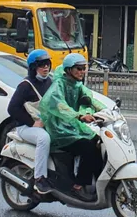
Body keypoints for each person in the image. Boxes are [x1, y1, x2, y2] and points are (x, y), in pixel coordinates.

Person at [39, 53, 105, 200]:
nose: (82, 72)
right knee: (87, 147)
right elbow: (58, 105)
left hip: (72, 126)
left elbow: (88, 99)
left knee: (98, 141)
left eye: (84, 68)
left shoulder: (77, 84)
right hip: (59, 129)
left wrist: (107, 112)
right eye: (78, 69)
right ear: (69, 70)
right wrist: (79, 116)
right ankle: (78, 186)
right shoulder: (59, 85)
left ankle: (97, 181)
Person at [7, 49, 55, 194]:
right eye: (41, 65)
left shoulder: (50, 82)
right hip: (25, 128)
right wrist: (32, 123)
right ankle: (40, 178)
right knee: (43, 138)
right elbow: (12, 108)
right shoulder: (25, 85)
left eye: (47, 64)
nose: (45, 68)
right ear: (33, 67)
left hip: (45, 124)